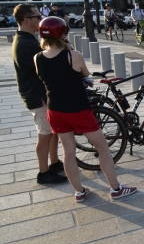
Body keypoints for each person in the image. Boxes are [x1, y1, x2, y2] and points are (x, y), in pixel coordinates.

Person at [34, 17, 137, 202]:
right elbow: (85, 73)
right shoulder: (73, 55)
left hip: (55, 109)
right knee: (103, 148)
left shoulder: (37, 58)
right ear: (63, 33)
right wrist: (69, 47)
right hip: (77, 109)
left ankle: (79, 192)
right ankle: (116, 189)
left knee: (68, 151)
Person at [12, 4, 68, 185]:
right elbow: (49, 63)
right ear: (26, 20)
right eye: (37, 17)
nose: (41, 19)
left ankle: (54, 163)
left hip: (38, 93)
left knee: (52, 132)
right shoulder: (27, 44)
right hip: (37, 95)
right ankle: (43, 173)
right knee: (44, 134)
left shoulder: (25, 40)